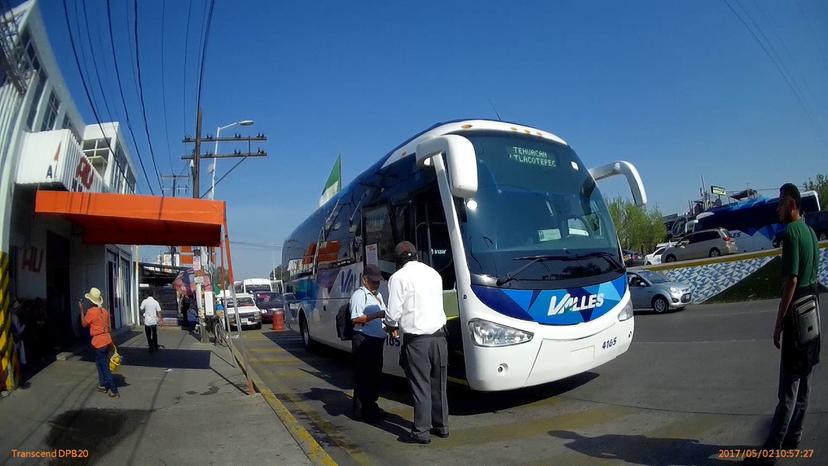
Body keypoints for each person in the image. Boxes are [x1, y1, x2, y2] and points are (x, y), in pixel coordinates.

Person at [760, 183, 821, 455]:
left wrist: (778, 322)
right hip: (814, 313)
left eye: (781, 202)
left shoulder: (792, 234)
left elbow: (791, 281)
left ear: (792, 204)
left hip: (797, 315)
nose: (777, 208)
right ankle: (794, 437)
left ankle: (772, 448)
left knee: (788, 389)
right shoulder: (810, 232)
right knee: (806, 381)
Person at [385, 241, 449, 444]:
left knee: (421, 387)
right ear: (415, 255)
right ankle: (442, 426)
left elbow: (393, 312)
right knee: (439, 386)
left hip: (417, 342)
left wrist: (390, 325)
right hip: (440, 338)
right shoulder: (433, 274)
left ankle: (421, 431)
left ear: (398, 260)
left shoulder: (398, 278)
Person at [349, 264, 387, 422]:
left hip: (376, 340)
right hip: (364, 339)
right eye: (373, 281)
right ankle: (364, 411)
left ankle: (368, 407)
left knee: (374, 376)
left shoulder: (377, 295)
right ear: (364, 280)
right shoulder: (360, 295)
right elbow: (356, 318)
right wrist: (378, 314)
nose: (376, 284)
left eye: (378, 281)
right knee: (364, 376)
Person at [79, 287, 119, 398]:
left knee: (104, 367)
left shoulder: (91, 312)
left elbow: (83, 324)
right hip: (106, 340)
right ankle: (102, 385)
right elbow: (109, 327)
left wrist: (82, 310)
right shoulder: (104, 311)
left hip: (98, 342)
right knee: (99, 364)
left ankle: (114, 390)